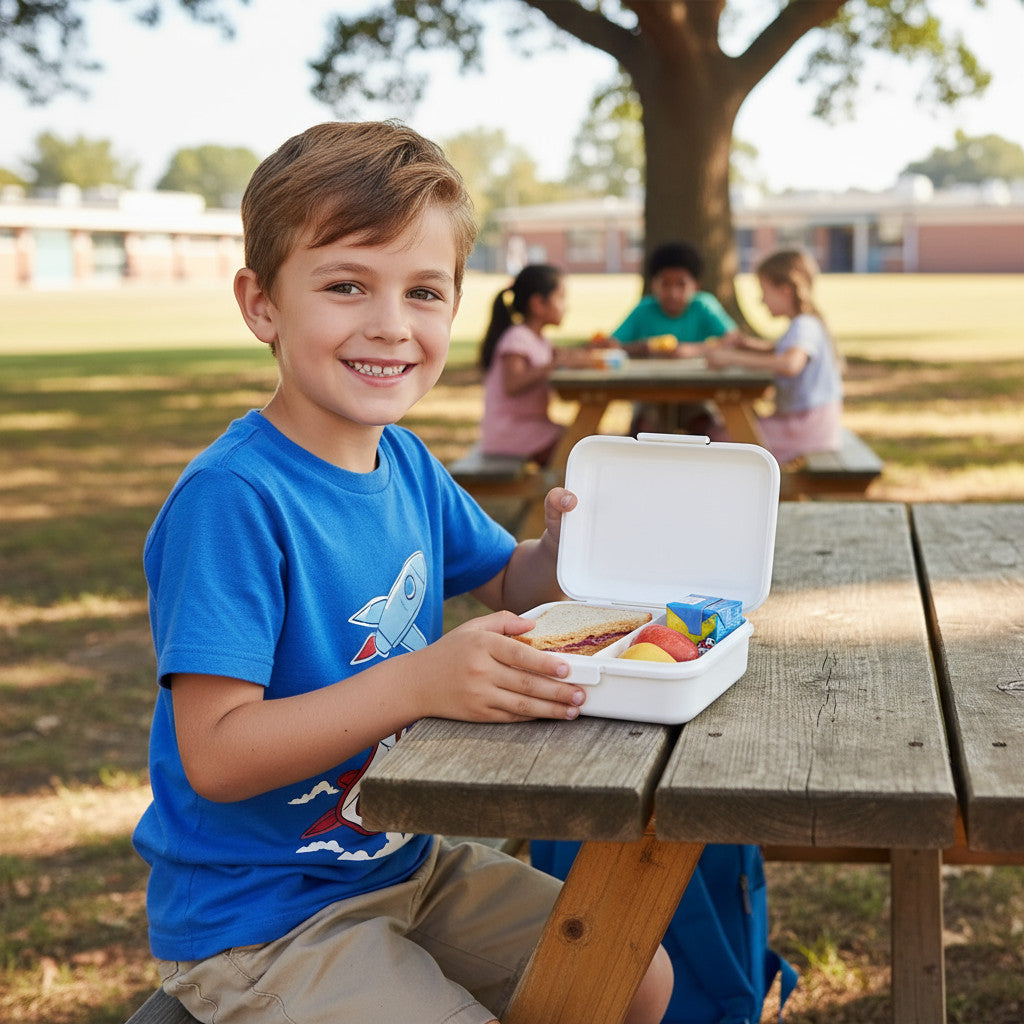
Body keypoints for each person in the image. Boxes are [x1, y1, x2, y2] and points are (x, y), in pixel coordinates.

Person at [130, 121, 672, 1024]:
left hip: (406, 863)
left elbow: (513, 585)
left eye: (424, 292)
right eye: (346, 285)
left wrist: (565, 554)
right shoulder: (233, 498)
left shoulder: (406, 461)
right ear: (262, 304)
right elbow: (218, 756)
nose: (389, 324)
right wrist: (419, 679)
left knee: (629, 975)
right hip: (262, 920)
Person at [705, 248, 844, 464]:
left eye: (764, 291)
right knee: (729, 431)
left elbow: (790, 363)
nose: (762, 300)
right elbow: (779, 349)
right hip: (808, 424)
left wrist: (731, 358)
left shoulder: (805, 325)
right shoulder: (802, 324)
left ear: (785, 290)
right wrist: (746, 345)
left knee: (719, 438)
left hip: (806, 430)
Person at [611, 241, 737, 434]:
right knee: (643, 429)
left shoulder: (703, 305)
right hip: (650, 394)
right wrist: (642, 348)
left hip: (695, 392)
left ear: (696, 285)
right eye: (665, 284)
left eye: (681, 284)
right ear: (653, 284)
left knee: (709, 428)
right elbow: (614, 344)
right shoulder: (645, 309)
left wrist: (693, 350)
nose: (672, 293)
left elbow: (732, 338)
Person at [478, 263, 584, 465]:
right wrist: (552, 365)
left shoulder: (539, 340)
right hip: (510, 433)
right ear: (538, 304)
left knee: (585, 440)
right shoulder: (517, 338)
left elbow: (558, 358)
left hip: (529, 428)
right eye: (561, 297)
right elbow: (513, 384)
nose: (566, 306)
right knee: (581, 449)